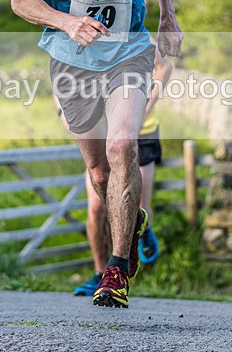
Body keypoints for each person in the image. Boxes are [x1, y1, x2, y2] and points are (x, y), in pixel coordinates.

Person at [11, 0, 183, 309]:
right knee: (99, 172)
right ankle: (132, 220)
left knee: (123, 145)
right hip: (71, 61)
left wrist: (167, 14)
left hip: (129, 53)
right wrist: (68, 22)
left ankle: (117, 269)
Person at [60, 40, 172, 297]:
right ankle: (101, 274)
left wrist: (145, 107)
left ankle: (138, 239)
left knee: (137, 206)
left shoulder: (136, 33)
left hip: (141, 133)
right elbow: (63, 70)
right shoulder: (84, 35)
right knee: (96, 207)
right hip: (103, 132)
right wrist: (63, 111)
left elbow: (165, 66)